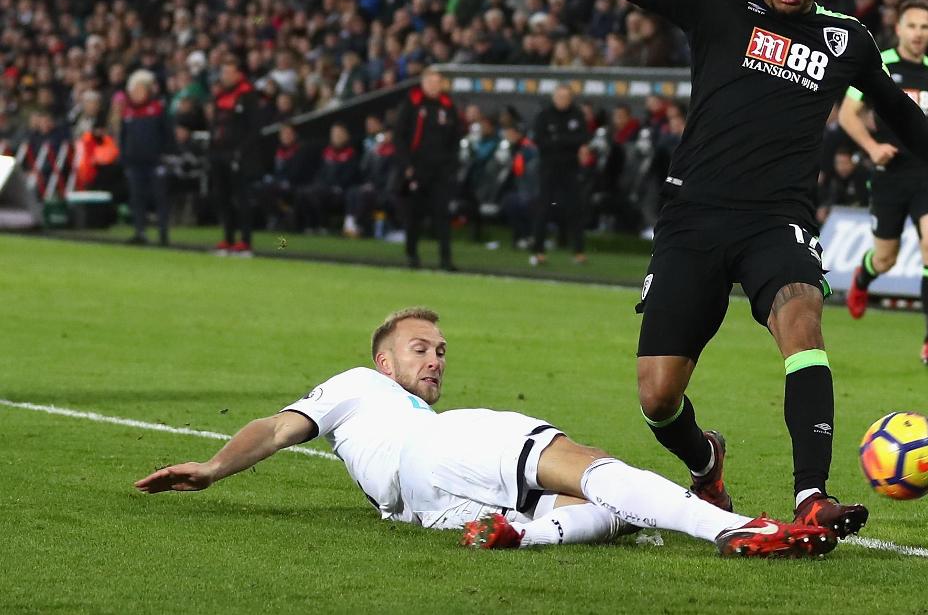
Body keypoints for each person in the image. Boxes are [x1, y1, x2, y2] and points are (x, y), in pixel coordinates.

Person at [599, 0, 928, 538]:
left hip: (777, 219)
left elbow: (902, 114)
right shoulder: (720, 0)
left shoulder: (846, 40)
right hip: (693, 217)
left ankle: (812, 495)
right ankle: (704, 457)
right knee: (658, 396)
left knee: (802, 315)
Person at [134, 308, 838, 558]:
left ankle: (521, 533)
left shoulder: (413, 416)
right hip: (432, 459)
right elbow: (276, 427)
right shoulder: (360, 384)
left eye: (440, 350)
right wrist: (214, 465)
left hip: (430, 511)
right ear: (384, 358)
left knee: (611, 514)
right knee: (583, 461)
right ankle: (737, 526)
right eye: (420, 347)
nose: (435, 357)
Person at [839, 0, 928, 366]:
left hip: (927, 176)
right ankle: (864, 276)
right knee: (885, 259)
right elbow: (847, 113)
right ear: (898, 29)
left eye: (925, 27)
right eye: (912, 26)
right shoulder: (876, 62)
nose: (918, 34)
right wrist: (871, 147)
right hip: (889, 177)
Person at [394, 70, 460, 271]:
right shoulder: (412, 104)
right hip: (415, 169)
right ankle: (412, 254)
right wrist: (406, 165)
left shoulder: (448, 107)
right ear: (422, 83)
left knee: (442, 214)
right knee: (413, 214)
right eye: (430, 82)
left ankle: (445, 259)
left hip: (440, 171)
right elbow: (400, 136)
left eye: (437, 82)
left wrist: (451, 166)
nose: (433, 86)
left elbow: (454, 139)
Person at [208, 55, 263, 256]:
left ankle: (245, 241)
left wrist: (241, 151)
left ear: (238, 74)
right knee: (223, 198)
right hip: (219, 154)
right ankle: (228, 238)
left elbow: (255, 128)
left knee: (241, 199)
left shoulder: (248, 95)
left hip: (239, 156)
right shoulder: (220, 96)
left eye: (228, 72)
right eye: (223, 72)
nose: (224, 76)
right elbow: (215, 125)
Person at [529, 84, 589, 265]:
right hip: (549, 168)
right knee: (543, 209)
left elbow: (582, 138)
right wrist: (566, 142)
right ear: (554, 97)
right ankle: (538, 250)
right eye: (560, 96)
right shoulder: (544, 115)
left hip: (570, 168)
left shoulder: (576, 115)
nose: (563, 100)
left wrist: (558, 140)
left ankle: (578, 251)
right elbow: (540, 141)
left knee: (576, 209)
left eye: (566, 97)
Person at [119, 70, 171, 246]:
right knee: (136, 198)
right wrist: (124, 158)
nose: (136, 93)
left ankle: (163, 234)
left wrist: (166, 156)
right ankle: (139, 231)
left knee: (159, 198)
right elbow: (123, 137)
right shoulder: (128, 112)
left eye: (139, 90)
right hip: (134, 162)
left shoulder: (157, 109)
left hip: (155, 162)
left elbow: (167, 135)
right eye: (134, 90)